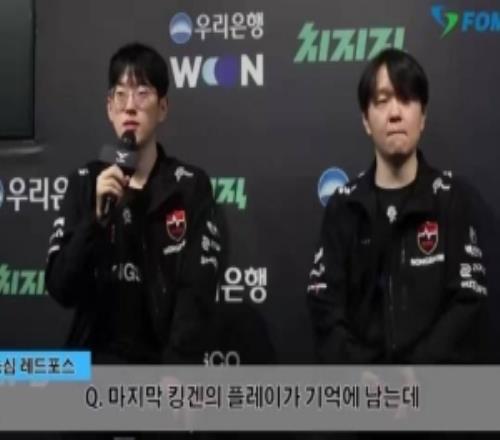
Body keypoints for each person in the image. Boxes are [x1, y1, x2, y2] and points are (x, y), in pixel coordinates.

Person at [307, 48, 489, 364]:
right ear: (366, 121)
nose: (394, 113)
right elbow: (324, 303)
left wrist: (419, 370)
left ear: (423, 117)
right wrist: (363, 372)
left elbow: (468, 298)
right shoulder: (344, 206)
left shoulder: (450, 199)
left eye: (406, 99)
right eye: (382, 101)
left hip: (435, 386)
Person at [45, 42, 222, 365]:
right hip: (91, 364)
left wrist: (175, 371)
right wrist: (95, 222)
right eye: (121, 94)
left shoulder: (189, 187)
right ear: (109, 107)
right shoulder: (85, 182)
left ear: (163, 107)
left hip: (160, 365)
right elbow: (61, 288)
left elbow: (196, 290)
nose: (130, 107)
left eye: (142, 93)